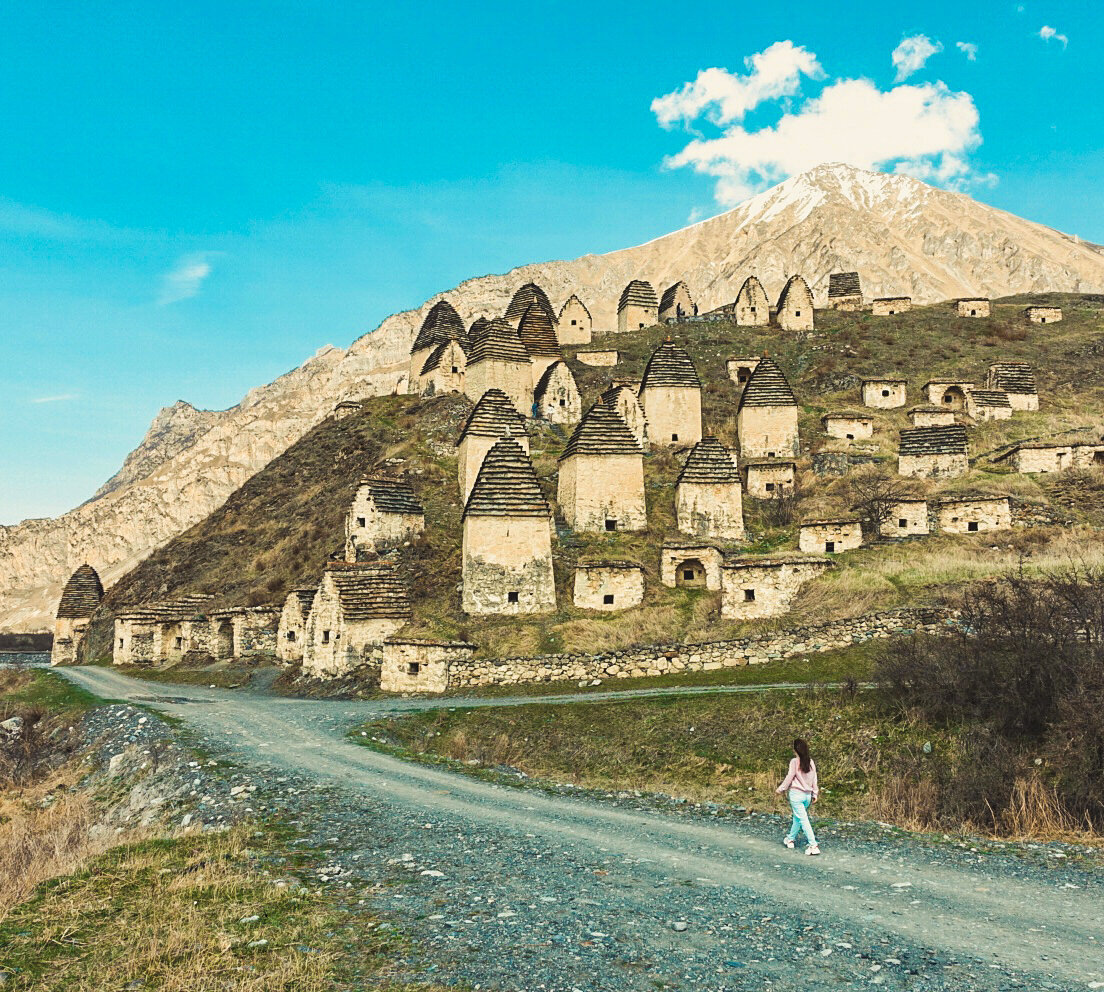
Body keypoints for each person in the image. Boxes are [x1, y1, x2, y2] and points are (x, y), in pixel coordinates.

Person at [776, 738, 820, 855]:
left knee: (803, 820)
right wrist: (815, 793)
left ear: (795, 749)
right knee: (798, 818)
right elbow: (814, 778)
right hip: (807, 796)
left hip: (796, 795)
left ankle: (813, 845)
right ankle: (790, 839)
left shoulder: (794, 762)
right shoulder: (811, 762)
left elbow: (789, 776)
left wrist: (781, 789)